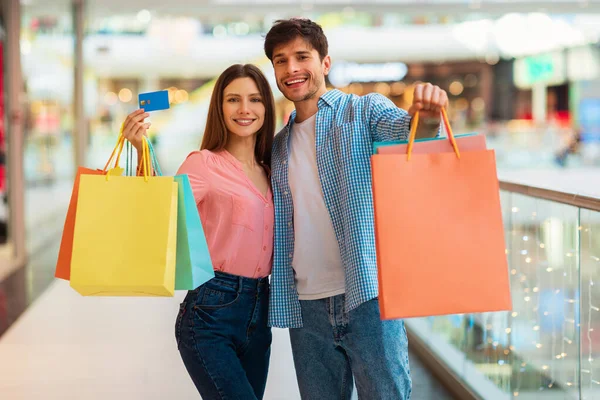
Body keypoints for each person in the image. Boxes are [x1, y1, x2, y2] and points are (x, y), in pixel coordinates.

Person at [264, 18, 449, 399]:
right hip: (306, 307)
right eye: (281, 61)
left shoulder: (362, 111)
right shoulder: (278, 146)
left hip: (366, 295)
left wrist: (428, 115)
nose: (292, 69)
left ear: (325, 63)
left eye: (302, 56)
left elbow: (410, 130)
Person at [121, 64, 276, 400]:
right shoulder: (203, 163)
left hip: (260, 314)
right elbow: (161, 212)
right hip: (211, 314)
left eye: (255, 99)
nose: (245, 109)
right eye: (233, 99)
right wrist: (140, 150)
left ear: (267, 106)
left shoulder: (271, 169)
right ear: (219, 108)